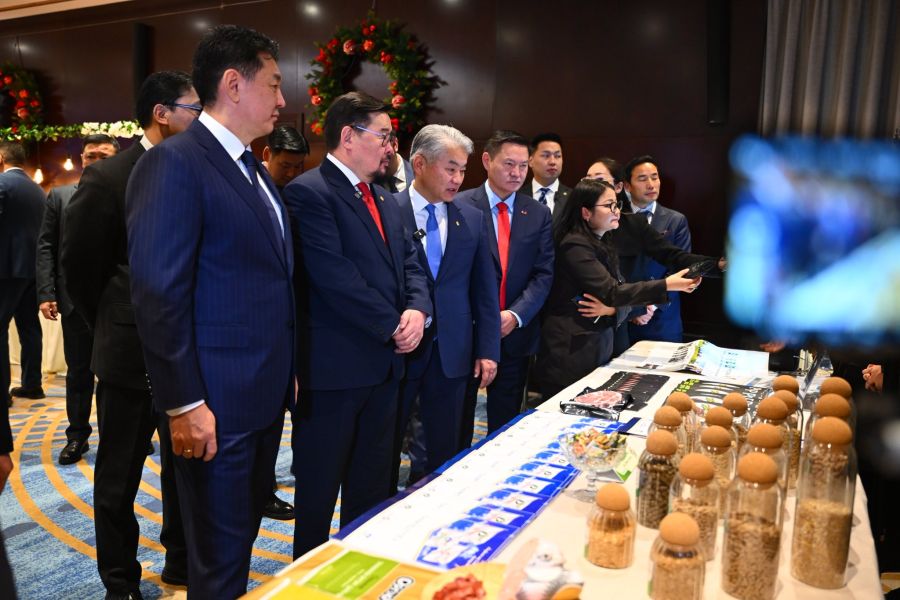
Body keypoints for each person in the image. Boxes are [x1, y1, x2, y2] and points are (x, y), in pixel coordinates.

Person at [125, 26, 294, 598]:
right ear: (233, 84)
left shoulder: (252, 169)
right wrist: (184, 403)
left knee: (238, 544)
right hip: (213, 404)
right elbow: (159, 294)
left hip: (260, 397)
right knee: (218, 562)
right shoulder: (175, 163)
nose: (282, 99)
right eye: (274, 84)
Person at [62, 71, 196, 600]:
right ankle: (120, 581)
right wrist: (111, 322)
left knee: (186, 466)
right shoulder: (109, 176)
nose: (201, 118)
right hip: (127, 351)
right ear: (161, 114)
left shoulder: (193, 168)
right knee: (119, 475)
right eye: (193, 109)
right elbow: (80, 269)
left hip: (184, 352)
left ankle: (181, 559)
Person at [283, 91, 431, 558]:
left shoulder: (385, 198)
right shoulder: (309, 192)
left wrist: (417, 311)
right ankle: (306, 583)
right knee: (318, 495)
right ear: (348, 136)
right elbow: (333, 277)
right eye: (383, 136)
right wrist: (393, 325)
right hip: (334, 373)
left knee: (371, 493)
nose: (391, 147)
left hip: (385, 370)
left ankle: (357, 575)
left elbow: (412, 264)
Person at [393, 124, 500, 484]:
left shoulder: (471, 217)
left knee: (445, 449)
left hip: (453, 351)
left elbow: (485, 290)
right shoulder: (389, 211)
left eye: (462, 170)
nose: (458, 179)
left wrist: (488, 350)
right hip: (399, 349)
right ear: (420, 164)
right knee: (385, 447)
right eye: (450, 168)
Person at [534, 179, 700, 399]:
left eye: (617, 204)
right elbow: (612, 292)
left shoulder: (603, 240)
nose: (616, 211)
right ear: (586, 212)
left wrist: (614, 309)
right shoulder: (574, 245)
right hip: (571, 350)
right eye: (608, 205)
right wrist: (667, 284)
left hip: (596, 344)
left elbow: (617, 291)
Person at [456, 130, 554, 435]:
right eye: (509, 164)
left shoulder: (537, 213)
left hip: (515, 333)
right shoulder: (459, 205)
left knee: (505, 425)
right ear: (487, 161)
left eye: (523, 166)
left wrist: (515, 315)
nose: (517, 173)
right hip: (467, 332)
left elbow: (543, 273)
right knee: (457, 423)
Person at [36, 133, 119, 465]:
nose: (95, 161)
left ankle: (121, 435)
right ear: (82, 159)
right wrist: (46, 292)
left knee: (117, 373)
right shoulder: (59, 195)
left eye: (103, 156)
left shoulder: (129, 190)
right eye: (90, 156)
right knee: (79, 372)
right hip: (73, 302)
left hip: (117, 302)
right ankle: (77, 436)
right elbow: (46, 246)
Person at [622, 155, 693, 344]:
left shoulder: (675, 220)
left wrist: (649, 307)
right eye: (642, 179)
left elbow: (682, 269)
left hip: (662, 319)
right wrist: (633, 309)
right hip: (624, 315)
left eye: (654, 177)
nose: (651, 184)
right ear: (627, 186)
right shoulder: (618, 218)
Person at [1, 142, 45, 411]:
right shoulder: (37, 189)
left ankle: (2, 392)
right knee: (29, 327)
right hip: (33, 269)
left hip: (7, 268)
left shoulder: (3, 184)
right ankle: (32, 383)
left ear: (2, 157)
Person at [525, 132, 570, 222]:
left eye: (557, 156)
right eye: (546, 156)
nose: (553, 162)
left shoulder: (573, 198)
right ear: (530, 161)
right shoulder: (517, 196)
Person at [261, 124, 308, 190]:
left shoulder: (299, 188)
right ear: (267, 155)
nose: (291, 174)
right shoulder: (251, 184)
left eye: (297, 167)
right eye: (285, 166)